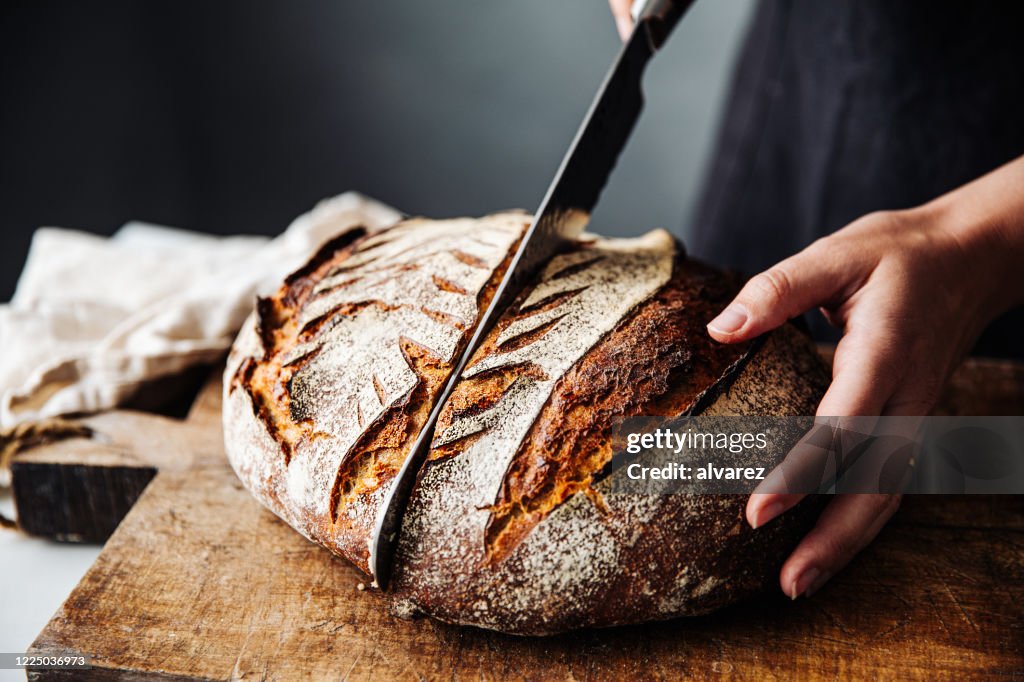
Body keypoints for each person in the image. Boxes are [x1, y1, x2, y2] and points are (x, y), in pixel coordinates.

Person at [609, 0, 1024, 599]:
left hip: (997, 250)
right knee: (658, 462)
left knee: (980, 470)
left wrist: (971, 244)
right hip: (799, 108)